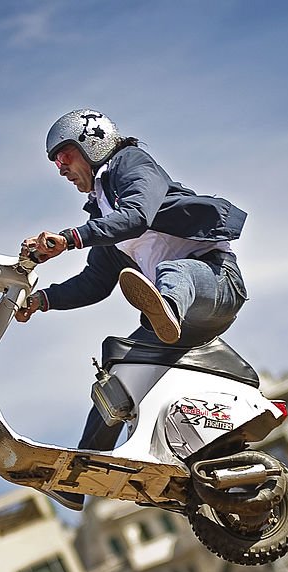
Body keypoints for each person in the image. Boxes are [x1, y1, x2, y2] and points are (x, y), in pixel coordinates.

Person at [17, 109, 249, 450]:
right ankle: (83, 468)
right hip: (179, 322)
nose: (61, 168)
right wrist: (41, 301)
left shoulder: (132, 164)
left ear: (92, 144)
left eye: (64, 155)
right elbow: (93, 282)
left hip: (216, 283)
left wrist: (69, 238)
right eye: (55, 164)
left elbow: (137, 216)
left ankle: (166, 307)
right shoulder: (104, 215)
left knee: (174, 271)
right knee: (117, 373)